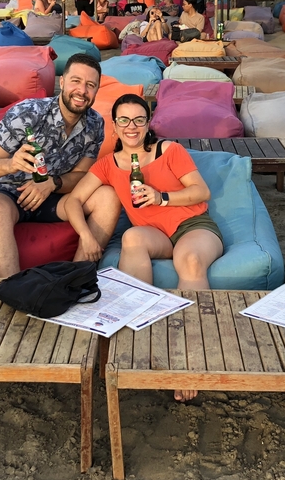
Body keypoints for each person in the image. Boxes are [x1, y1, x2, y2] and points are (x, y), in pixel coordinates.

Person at [63, 94, 223, 401]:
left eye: (139, 119)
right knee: (131, 237)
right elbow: (73, 201)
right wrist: (85, 235)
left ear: (148, 123)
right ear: (115, 125)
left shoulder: (168, 150)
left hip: (193, 226)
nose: (131, 127)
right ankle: (132, 346)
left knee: (188, 259)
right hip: (154, 233)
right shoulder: (108, 164)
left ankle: (189, 361)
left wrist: (161, 196)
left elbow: (201, 191)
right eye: (124, 120)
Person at [0, 53, 120, 278]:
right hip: (7, 193)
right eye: (76, 81)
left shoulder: (95, 124)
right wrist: (10, 164)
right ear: (62, 82)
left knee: (109, 197)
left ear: (97, 91)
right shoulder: (29, 113)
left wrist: (52, 183)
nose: (82, 91)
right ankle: (14, 286)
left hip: (52, 196)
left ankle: (74, 279)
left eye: (90, 85)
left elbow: (81, 174)